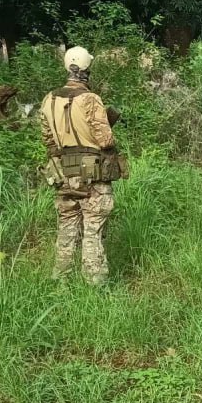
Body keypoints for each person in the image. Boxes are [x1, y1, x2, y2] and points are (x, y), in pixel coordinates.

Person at [40, 46, 127, 284]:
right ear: (86, 69)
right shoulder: (90, 99)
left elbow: (49, 141)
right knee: (93, 230)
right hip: (93, 174)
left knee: (66, 227)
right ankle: (95, 283)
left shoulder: (49, 99)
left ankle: (60, 280)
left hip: (63, 171)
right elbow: (105, 140)